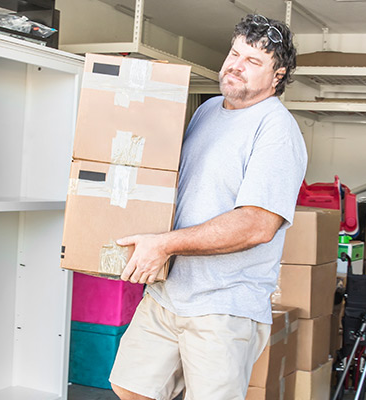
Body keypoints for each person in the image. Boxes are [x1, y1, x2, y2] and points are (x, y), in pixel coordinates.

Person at [108, 14, 307, 400]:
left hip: (224, 304)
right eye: (235, 53)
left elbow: (257, 225)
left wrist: (164, 244)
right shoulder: (208, 110)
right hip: (169, 291)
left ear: (277, 75)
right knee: (131, 387)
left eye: (254, 62)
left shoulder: (276, 130)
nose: (236, 65)